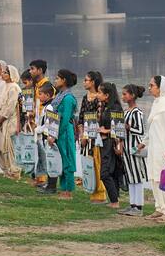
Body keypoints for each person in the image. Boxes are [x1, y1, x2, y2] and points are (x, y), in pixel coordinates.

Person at [140, 75, 165, 221]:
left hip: (163, 148)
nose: (149, 88)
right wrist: (144, 142)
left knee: (163, 177)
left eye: (152, 85)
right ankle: (159, 207)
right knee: (154, 177)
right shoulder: (157, 103)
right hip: (154, 147)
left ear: (160, 88)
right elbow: (153, 127)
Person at [77, 71, 107, 203]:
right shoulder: (85, 97)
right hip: (85, 135)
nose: (84, 82)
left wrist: (88, 134)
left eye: (86, 80)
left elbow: (98, 119)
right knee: (87, 163)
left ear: (93, 82)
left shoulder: (99, 100)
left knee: (96, 162)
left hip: (95, 137)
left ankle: (100, 193)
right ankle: (91, 188)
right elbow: (81, 117)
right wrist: (81, 133)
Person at [50, 69, 78, 199]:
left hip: (65, 132)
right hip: (57, 130)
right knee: (60, 159)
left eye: (57, 78)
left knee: (67, 159)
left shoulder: (68, 98)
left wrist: (56, 135)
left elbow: (66, 119)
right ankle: (63, 187)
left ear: (64, 80)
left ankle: (69, 190)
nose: (55, 80)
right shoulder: (59, 95)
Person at [120, 84, 148, 216]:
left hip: (134, 148)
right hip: (125, 147)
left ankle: (139, 206)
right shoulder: (126, 112)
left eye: (125, 94)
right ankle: (132, 204)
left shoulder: (137, 112)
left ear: (132, 95)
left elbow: (141, 130)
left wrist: (128, 127)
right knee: (130, 176)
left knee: (136, 176)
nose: (123, 96)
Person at [97, 82, 123, 209]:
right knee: (110, 172)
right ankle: (114, 199)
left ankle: (115, 200)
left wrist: (105, 131)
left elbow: (119, 129)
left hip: (110, 143)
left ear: (107, 95)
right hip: (104, 142)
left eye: (100, 93)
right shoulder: (106, 107)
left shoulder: (115, 108)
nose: (97, 95)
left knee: (105, 173)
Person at [0, 65, 22, 180]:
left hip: (11, 120)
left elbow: (11, 107)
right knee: (6, 146)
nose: (3, 74)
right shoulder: (6, 86)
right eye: (3, 72)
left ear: (11, 74)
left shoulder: (14, 87)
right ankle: (9, 170)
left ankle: (16, 172)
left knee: (11, 146)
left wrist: (1, 119)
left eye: (6, 73)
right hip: (5, 120)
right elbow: (2, 103)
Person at [35, 82, 58, 193]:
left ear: (48, 95)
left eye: (41, 94)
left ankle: (51, 186)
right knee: (47, 160)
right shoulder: (46, 106)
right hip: (45, 136)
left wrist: (40, 129)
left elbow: (49, 123)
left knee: (50, 160)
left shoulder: (49, 107)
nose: (39, 96)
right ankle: (49, 184)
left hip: (48, 137)